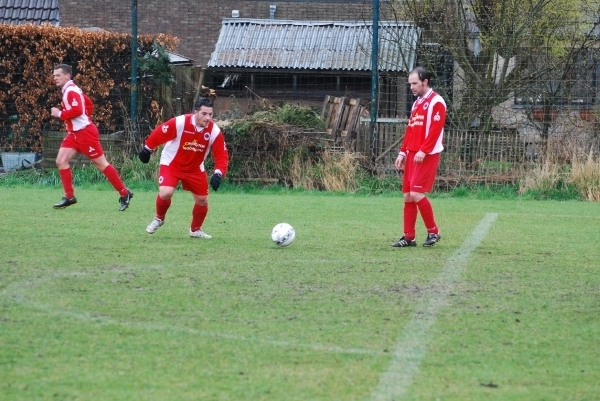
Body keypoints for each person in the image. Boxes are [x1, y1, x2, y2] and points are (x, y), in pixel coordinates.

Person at [139, 97, 229, 238]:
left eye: (210, 114)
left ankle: (195, 230)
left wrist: (218, 173)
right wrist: (147, 148)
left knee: (202, 200)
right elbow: (161, 132)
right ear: (195, 112)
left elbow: (222, 155)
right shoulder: (181, 122)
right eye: (204, 114)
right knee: (165, 193)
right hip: (172, 163)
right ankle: (159, 218)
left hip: (195, 168)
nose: (207, 118)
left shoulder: (214, 131)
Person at [50, 64, 133, 211]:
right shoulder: (71, 90)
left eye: (58, 75)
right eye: (54, 75)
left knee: (101, 164)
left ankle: (125, 193)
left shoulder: (70, 91)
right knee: (61, 161)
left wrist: (60, 114)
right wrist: (82, 120)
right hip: (75, 133)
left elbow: (78, 109)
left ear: (67, 76)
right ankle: (69, 197)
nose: (55, 78)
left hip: (85, 134)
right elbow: (88, 104)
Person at [391, 66, 446, 248]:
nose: (412, 87)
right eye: (410, 84)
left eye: (415, 83)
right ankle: (409, 237)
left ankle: (434, 232)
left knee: (416, 193)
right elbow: (411, 130)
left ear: (425, 82)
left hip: (427, 154)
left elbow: (436, 130)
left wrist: (424, 150)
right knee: (407, 195)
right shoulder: (416, 103)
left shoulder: (436, 101)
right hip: (413, 154)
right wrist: (402, 152)